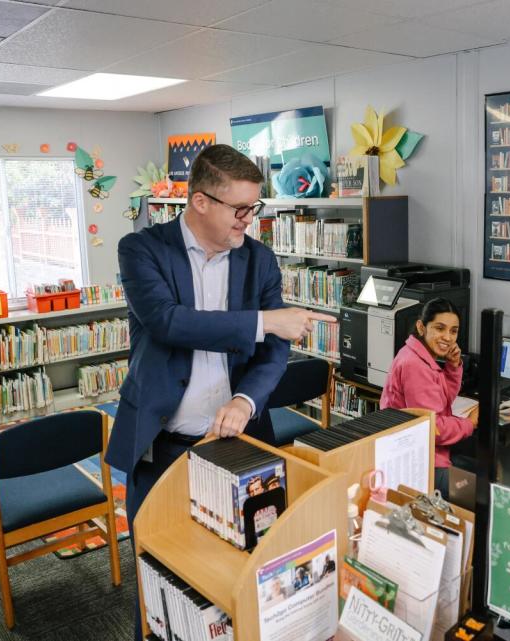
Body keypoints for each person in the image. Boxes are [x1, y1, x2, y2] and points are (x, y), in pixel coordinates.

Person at [105, 144, 334, 640]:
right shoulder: (141, 249)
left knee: (245, 566)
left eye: (255, 208)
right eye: (241, 208)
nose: (248, 220)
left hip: (241, 445)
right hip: (163, 446)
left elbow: (273, 353)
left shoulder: (259, 260)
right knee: (160, 569)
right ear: (201, 201)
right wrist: (264, 321)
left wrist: (244, 400)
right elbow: (169, 323)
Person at [380, 298, 477, 498]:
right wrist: (470, 423)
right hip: (417, 464)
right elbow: (436, 429)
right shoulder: (415, 365)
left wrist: (453, 366)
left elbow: (443, 401)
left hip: (428, 453)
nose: (448, 337)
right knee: (481, 495)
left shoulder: (419, 356)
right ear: (421, 327)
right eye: (440, 328)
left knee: (482, 470)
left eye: (453, 331)